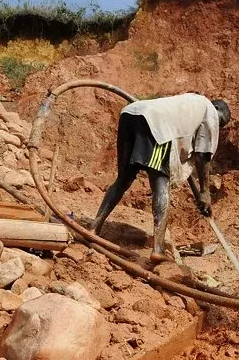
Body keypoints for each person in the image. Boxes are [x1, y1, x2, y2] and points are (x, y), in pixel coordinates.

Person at [89, 93, 230, 258]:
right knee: (161, 183)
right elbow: (202, 155)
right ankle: (158, 249)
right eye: (220, 123)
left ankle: (94, 228)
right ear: (218, 110)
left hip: (131, 114)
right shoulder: (210, 111)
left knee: (123, 180)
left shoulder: (190, 103)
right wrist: (205, 192)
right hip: (158, 126)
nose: (217, 127)